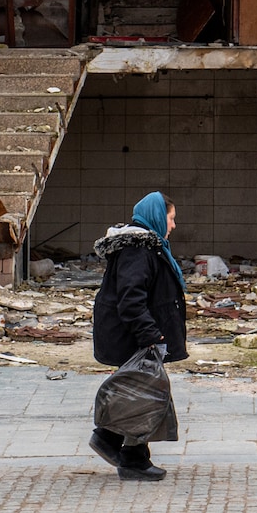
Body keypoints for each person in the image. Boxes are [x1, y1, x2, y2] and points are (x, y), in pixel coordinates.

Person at [89, 190, 188, 482]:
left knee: (143, 393)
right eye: (171, 219)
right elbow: (131, 299)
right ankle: (124, 451)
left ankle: (118, 445)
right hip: (132, 337)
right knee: (146, 393)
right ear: (158, 217)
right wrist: (151, 336)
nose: (173, 226)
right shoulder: (138, 250)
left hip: (135, 335)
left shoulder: (146, 247)